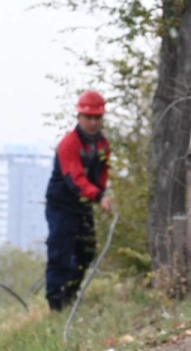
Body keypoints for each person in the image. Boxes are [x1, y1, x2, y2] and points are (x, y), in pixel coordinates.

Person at [44, 90, 113, 312]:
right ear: (79, 117)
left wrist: (100, 194)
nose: (93, 122)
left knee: (86, 250)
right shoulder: (68, 144)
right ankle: (56, 303)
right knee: (59, 254)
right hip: (61, 206)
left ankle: (70, 293)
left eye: (97, 118)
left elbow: (102, 173)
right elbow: (75, 179)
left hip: (83, 206)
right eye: (88, 117)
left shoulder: (102, 144)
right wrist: (99, 196)